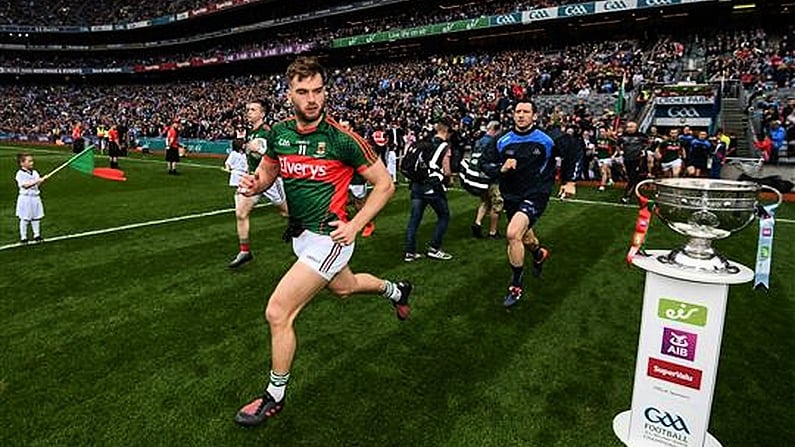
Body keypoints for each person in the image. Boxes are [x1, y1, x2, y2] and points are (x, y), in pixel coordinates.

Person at [234, 57, 412, 427]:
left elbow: (385, 185)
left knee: (278, 312)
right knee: (345, 289)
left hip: (331, 237)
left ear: (325, 91)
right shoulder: (279, 134)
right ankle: (396, 291)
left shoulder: (343, 140)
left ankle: (274, 396)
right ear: (289, 95)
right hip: (301, 237)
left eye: (317, 90)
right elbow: (270, 169)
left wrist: (357, 224)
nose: (311, 98)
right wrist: (257, 183)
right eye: (303, 91)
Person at [481, 99, 579, 308]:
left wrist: (569, 181)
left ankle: (515, 285)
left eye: (526, 112)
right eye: (518, 111)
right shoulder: (501, 140)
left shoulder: (548, 138)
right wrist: (501, 168)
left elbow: (574, 150)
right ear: (513, 115)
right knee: (527, 238)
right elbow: (484, 163)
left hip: (536, 193)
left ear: (534, 116)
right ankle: (538, 253)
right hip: (511, 196)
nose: (521, 115)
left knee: (512, 233)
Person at [228, 99, 289, 269]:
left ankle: (307, 227)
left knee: (287, 212)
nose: (248, 112)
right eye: (247, 109)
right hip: (252, 178)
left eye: (253, 110)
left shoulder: (266, 132)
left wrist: (260, 148)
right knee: (241, 213)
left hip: (269, 178)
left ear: (262, 114)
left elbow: (270, 151)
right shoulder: (250, 131)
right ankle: (245, 251)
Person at [404, 117, 454, 262]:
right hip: (431, 184)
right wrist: (448, 180)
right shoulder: (443, 146)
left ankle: (410, 252)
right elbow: (447, 169)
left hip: (416, 184)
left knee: (414, 219)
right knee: (444, 216)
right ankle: (434, 248)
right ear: (446, 130)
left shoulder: (423, 141)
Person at [465, 120, 503, 239]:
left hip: (479, 177)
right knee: (497, 204)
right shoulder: (493, 142)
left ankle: (477, 222)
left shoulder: (479, 141)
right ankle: (493, 232)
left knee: (485, 201)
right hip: (491, 176)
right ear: (495, 129)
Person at [341, 119, 376, 238]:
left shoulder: (359, 142)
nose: (342, 128)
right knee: (341, 201)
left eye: (345, 126)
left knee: (359, 205)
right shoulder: (340, 141)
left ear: (351, 128)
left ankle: (368, 225)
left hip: (357, 178)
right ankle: (345, 223)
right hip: (344, 178)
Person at [15, 153, 47, 244]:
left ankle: (37, 235)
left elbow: (37, 184)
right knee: (25, 218)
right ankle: (23, 237)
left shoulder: (35, 172)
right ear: (22, 163)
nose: (32, 163)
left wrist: (42, 180)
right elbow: (25, 185)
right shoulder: (20, 174)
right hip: (26, 198)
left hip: (35, 197)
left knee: (36, 217)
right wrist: (38, 180)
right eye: (29, 161)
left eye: (32, 161)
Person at [617, 121, 649, 204]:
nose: (629, 129)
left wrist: (643, 151)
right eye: (628, 127)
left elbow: (648, 144)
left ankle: (627, 196)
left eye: (631, 127)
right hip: (627, 159)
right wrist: (620, 152)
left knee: (633, 177)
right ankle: (633, 191)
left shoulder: (642, 136)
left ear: (636, 127)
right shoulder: (622, 136)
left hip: (638, 159)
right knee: (631, 177)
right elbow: (617, 144)